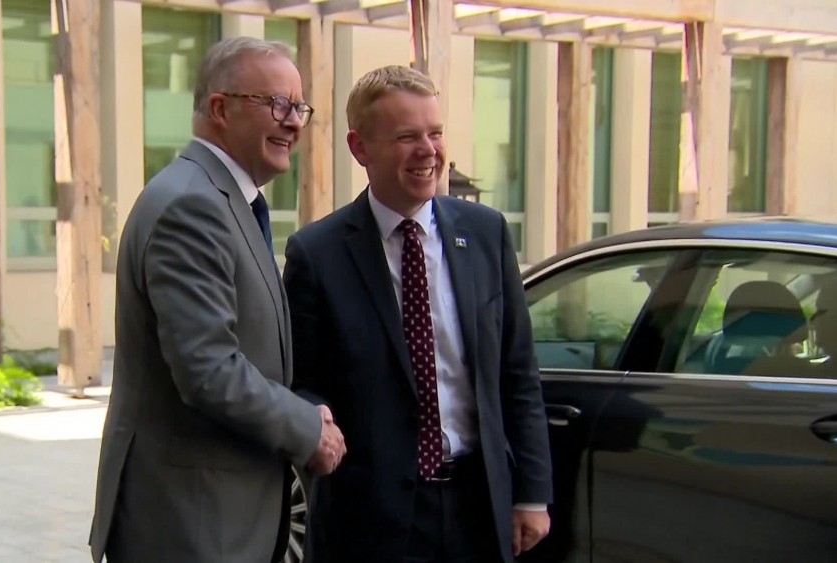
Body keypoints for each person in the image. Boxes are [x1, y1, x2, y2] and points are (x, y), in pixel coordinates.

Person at [89, 36, 346, 563]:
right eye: (277, 103)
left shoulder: (223, 197)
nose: (293, 122)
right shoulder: (192, 205)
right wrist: (305, 429)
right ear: (220, 109)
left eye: (299, 107)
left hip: (215, 517)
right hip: (191, 524)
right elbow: (207, 369)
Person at [283, 65, 552, 563]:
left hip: (477, 506)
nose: (428, 150)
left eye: (436, 133)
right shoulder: (317, 254)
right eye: (407, 137)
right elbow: (301, 381)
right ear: (360, 148)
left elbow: (518, 373)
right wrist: (314, 421)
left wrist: (532, 494)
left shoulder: (486, 234)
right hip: (368, 521)